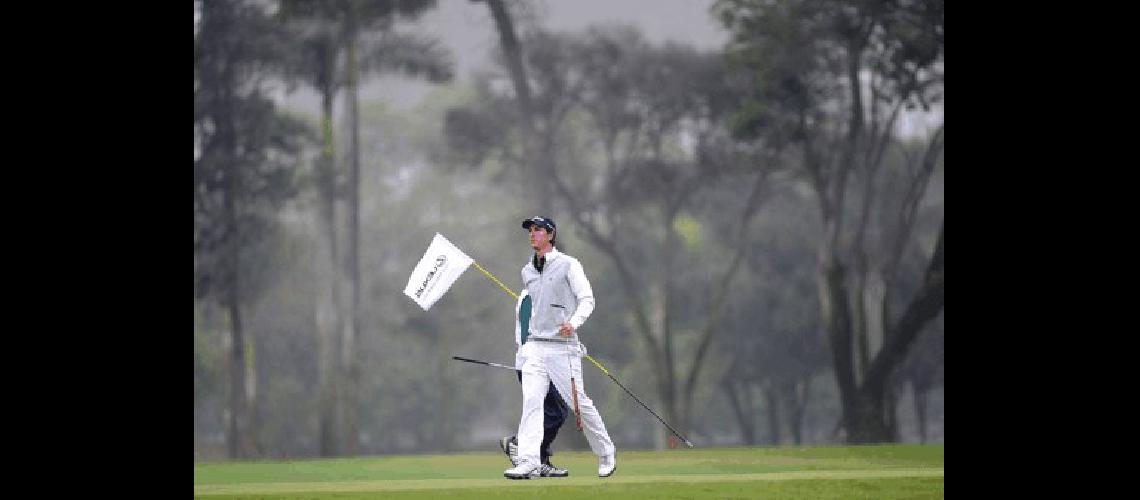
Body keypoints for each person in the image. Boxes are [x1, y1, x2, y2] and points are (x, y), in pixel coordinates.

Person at [504, 216, 617, 480]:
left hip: (562, 348)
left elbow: (586, 299)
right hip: (535, 347)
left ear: (551, 235)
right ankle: (529, 460)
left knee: (579, 405)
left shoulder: (568, 264)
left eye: (538, 230)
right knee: (532, 402)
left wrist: (574, 323)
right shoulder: (527, 271)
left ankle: (605, 452)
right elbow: (533, 309)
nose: (533, 234)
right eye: (530, 231)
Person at [497, 287, 570, 477]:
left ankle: (539, 459)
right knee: (556, 412)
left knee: (555, 412)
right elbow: (526, 337)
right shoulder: (530, 296)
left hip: (545, 364)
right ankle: (521, 446)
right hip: (533, 365)